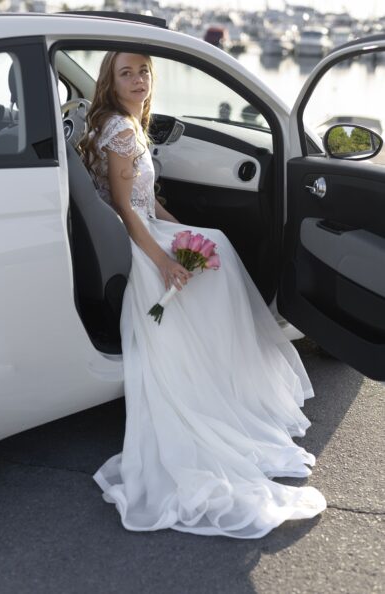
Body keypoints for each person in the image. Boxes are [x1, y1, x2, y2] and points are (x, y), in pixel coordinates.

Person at [81, 51, 326, 539]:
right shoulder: (123, 132)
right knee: (223, 266)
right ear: (110, 80)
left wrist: (191, 232)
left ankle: (225, 368)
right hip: (133, 241)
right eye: (125, 73)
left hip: (140, 228)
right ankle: (226, 376)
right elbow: (130, 212)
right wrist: (166, 261)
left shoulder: (116, 122)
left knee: (217, 246)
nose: (137, 79)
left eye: (143, 71)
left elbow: (149, 205)